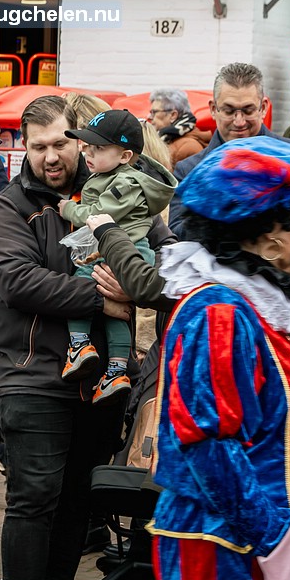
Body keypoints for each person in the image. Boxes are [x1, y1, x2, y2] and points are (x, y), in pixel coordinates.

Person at [149, 137, 290, 580]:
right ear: (268, 233)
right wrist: (275, 536)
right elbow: (209, 443)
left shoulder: (247, 308)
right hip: (224, 547)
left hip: (246, 545)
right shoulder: (218, 313)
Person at [0, 94, 137, 580]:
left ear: (81, 141)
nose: (50, 156)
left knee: (78, 501)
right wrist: (103, 299)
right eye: (38, 145)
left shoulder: (114, 191)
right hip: (33, 375)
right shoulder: (10, 205)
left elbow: (150, 258)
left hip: (102, 380)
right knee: (34, 499)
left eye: (60, 143)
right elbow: (17, 282)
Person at [168, 62, 290, 358]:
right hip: (216, 322)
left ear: (264, 106)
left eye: (248, 109)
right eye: (229, 110)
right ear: (213, 108)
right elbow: (180, 232)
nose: (239, 121)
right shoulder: (191, 169)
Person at [58, 109, 177, 405]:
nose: (88, 153)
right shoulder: (112, 176)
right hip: (123, 252)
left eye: (97, 149)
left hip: (123, 252)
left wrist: (67, 209)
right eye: (86, 146)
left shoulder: (125, 182)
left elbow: (97, 215)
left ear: (125, 156)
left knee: (82, 281)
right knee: (118, 314)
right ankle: (116, 370)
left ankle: (79, 346)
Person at [147, 87, 210, 163]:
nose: (149, 117)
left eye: (154, 112)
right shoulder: (166, 139)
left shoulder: (189, 147)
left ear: (173, 115)